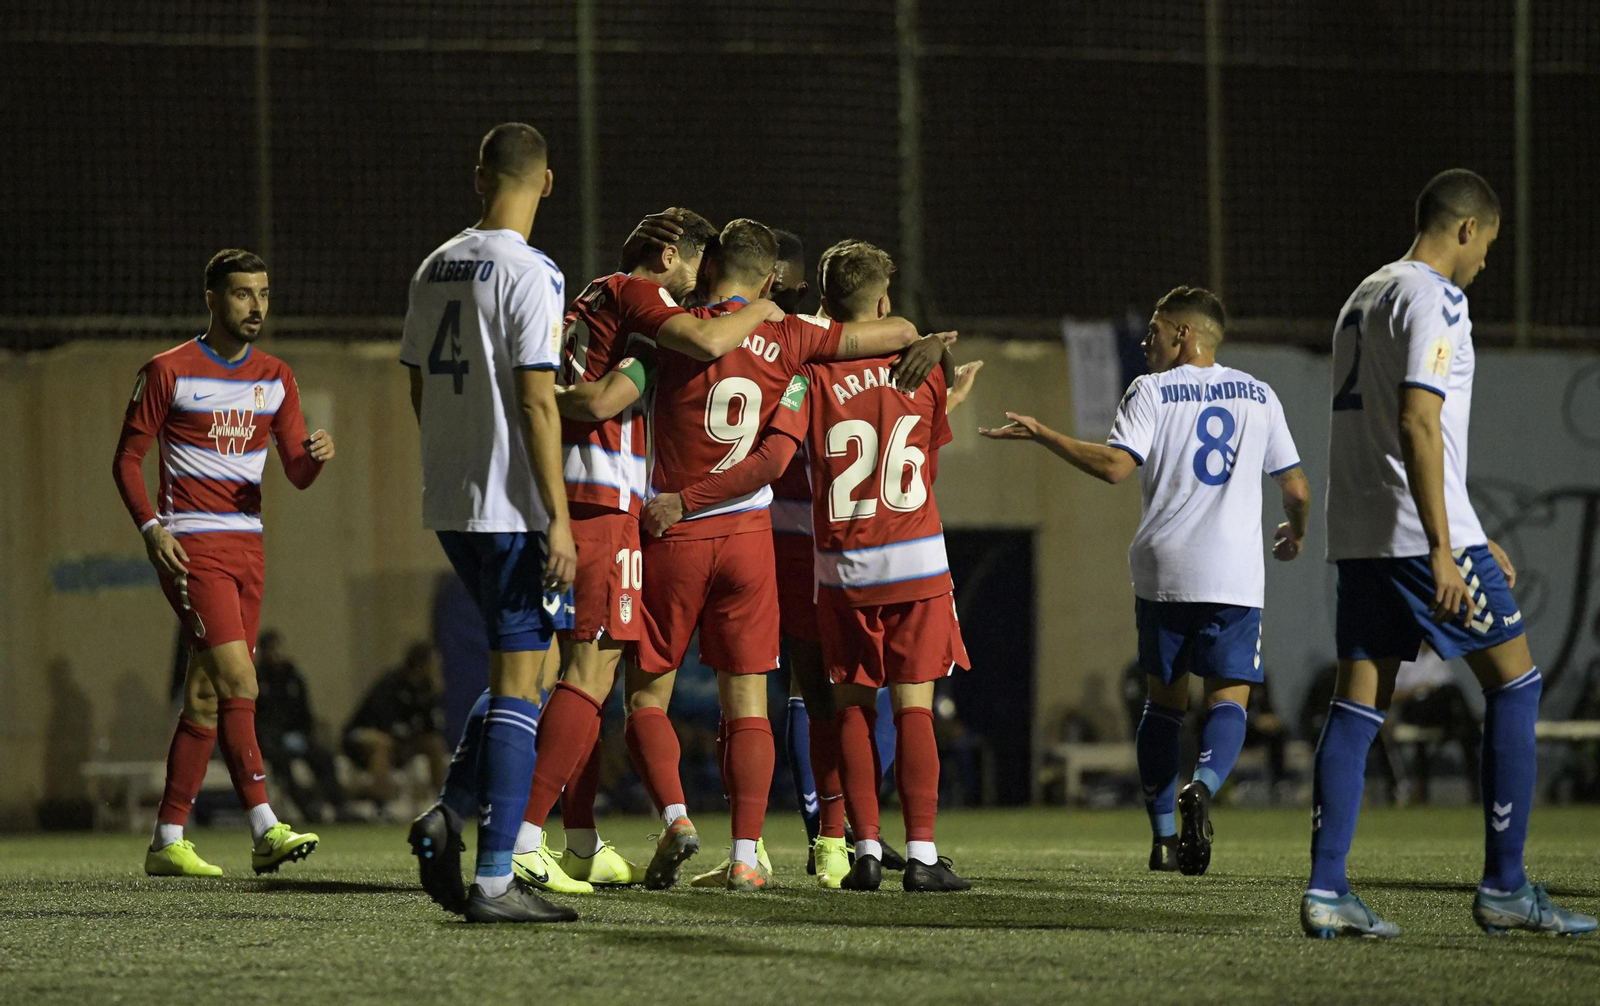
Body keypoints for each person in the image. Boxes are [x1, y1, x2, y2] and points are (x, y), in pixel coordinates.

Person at [586, 218, 946, 891]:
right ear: (772, 276)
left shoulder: (673, 328)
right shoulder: (794, 335)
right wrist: (925, 342)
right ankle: (749, 857)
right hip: (752, 542)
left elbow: (611, 396)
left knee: (645, 699)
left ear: (713, 261)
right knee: (751, 702)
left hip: (675, 530)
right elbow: (887, 334)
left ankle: (674, 819)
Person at [1308, 168, 1595, 937]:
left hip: (1363, 533)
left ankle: (1327, 891)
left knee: (1358, 703)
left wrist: (1467, 524)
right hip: (1415, 535)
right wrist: (1444, 544)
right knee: (1517, 684)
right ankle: (1505, 886)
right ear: (1466, 229)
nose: (1485, 263)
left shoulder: (1365, 294)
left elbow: (1397, 433)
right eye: (1487, 245)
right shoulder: (1437, 297)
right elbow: (1417, 422)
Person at [981, 285, 1308, 878]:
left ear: (1183, 334)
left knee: (1163, 706)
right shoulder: (1260, 394)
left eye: (1154, 329)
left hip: (1165, 569)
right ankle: (1203, 787)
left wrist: (1043, 433)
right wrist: (1298, 532)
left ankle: (1161, 839)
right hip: (1234, 573)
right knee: (1229, 699)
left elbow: (1113, 467)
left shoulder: (1150, 390)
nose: (1143, 340)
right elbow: (1298, 490)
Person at [508, 207, 788, 896]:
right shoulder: (647, 306)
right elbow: (617, 394)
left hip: (576, 498)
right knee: (594, 675)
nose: (693, 289)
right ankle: (519, 838)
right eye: (691, 271)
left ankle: (581, 840)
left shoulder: (592, 297)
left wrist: (531, 399)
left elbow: (594, 390)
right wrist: (763, 307)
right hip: (620, 504)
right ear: (667, 257)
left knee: (574, 678)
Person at [399, 122, 579, 924]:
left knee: (528, 671)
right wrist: (559, 519)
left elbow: (417, 390)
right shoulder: (533, 271)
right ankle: (498, 879)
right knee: (521, 682)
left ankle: (449, 812)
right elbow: (540, 400)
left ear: (480, 178)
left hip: (452, 498)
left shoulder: (434, 264)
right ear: (545, 183)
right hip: (512, 506)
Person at [113, 248, 332, 878]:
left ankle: (167, 839)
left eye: (263, 293)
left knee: (208, 694)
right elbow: (127, 460)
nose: (256, 305)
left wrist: (315, 455)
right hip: (192, 546)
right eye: (242, 294)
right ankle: (265, 825)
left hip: (249, 545)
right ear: (212, 298)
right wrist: (152, 529)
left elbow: (295, 471)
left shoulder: (276, 376)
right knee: (242, 683)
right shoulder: (167, 370)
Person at [255, 630, 348, 822]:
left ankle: (338, 807)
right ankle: (307, 809)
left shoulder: (294, 678)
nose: (277, 654)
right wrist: (276, 736)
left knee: (324, 758)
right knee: (282, 764)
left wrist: (303, 735)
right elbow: (260, 718)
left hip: (296, 736)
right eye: (272, 649)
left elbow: (305, 713)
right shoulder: (257, 679)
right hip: (272, 741)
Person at [343, 643, 449, 807]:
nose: (438, 668)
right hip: (362, 736)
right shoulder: (391, 683)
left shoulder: (426, 689)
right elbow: (383, 724)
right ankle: (379, 800)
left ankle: (445, 803)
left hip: (401, 742)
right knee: (382, 743)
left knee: (434, 744)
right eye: (434, 664)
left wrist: (434, 695)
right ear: (421, 665)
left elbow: (431, 728)